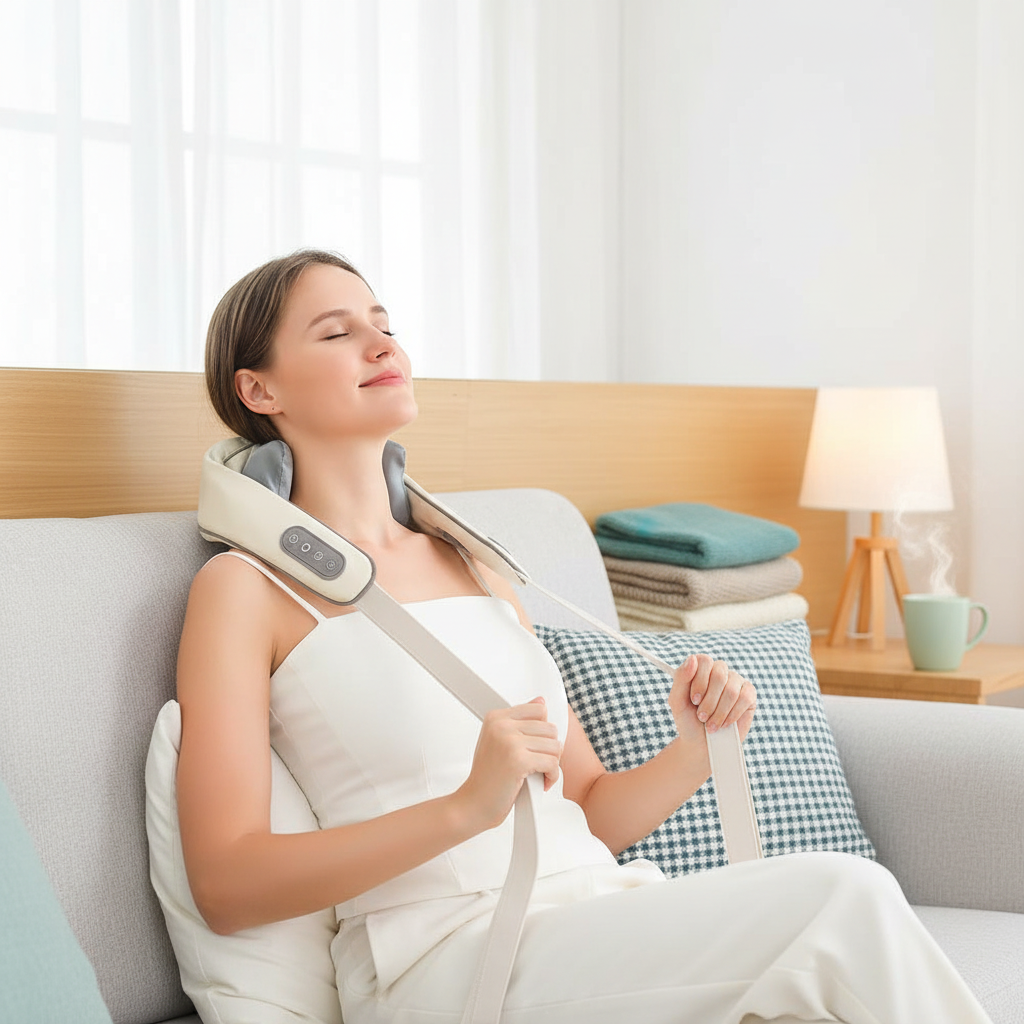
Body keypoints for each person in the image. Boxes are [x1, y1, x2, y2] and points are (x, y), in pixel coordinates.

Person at [176, 249, 993, 1024]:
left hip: (590, 915)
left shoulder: (478, 565)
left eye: (382, 320)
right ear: (259, 389)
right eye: (335, 331)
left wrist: (695, 751)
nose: (381, 340)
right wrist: (466, 809)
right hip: (442, 964)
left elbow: (589, 812)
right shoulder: (245, 590)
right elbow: (227, 881)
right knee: (844, 897)